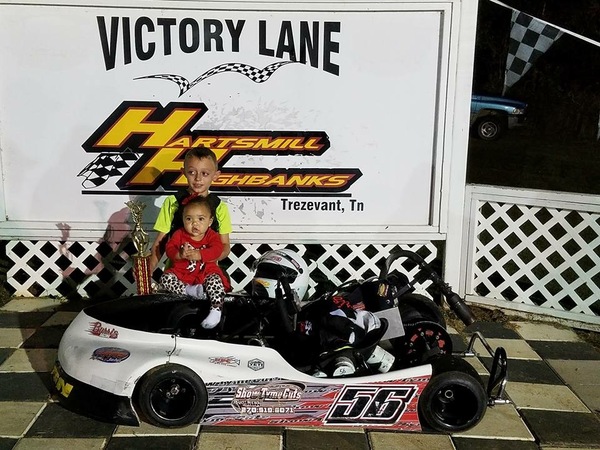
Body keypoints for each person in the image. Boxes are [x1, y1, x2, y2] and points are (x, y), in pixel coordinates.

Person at [150, 146, 232, 273]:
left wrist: (203, 256)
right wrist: (149, 268)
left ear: (215, 175)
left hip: (206, 273)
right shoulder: (172, 202)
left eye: (205, 173)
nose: (198, 178)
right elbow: (161, 242)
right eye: (192, 172)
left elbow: (225, 246)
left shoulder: (219, 207)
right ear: (184, 172)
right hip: (176, 274)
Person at [160, 196, 231, 329]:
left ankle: (216, 310)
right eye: (189, 219)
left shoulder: (212, 235)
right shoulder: (179, 234)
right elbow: (169, 249)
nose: (194, 223)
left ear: (210, 221)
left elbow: (217, 250)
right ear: (183, 219)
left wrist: (200, 254)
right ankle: (189, 290)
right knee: (165, 278)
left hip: (205, 272)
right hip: (183, 274)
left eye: (200, 219)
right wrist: (179, 254)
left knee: (216, 280)